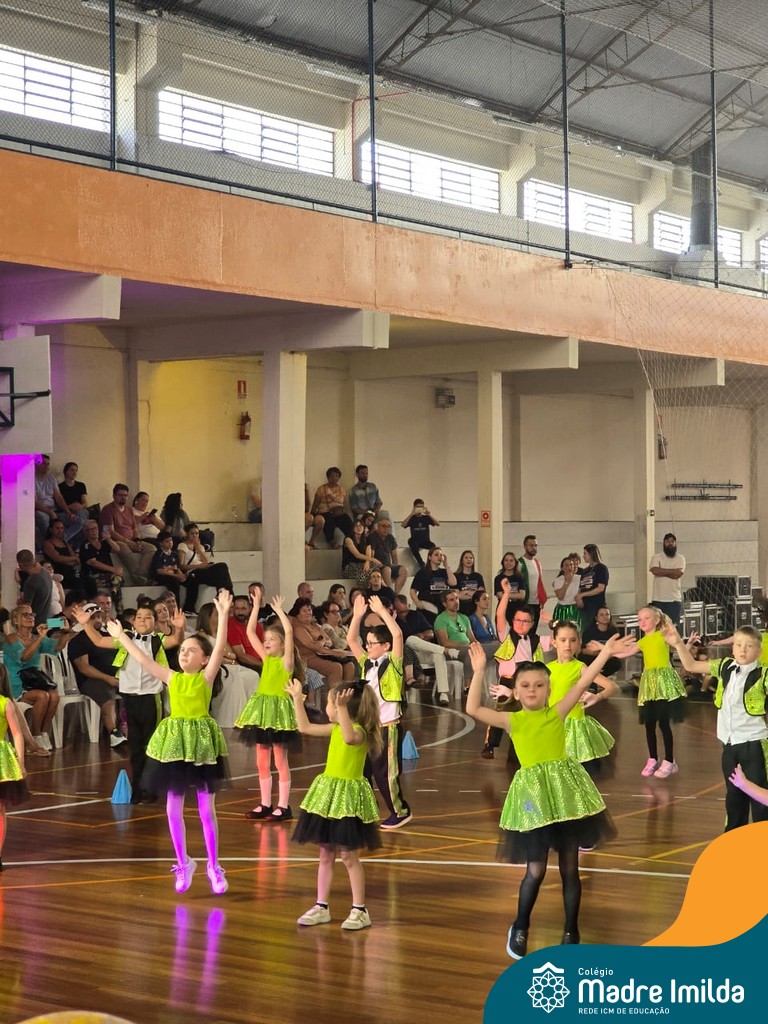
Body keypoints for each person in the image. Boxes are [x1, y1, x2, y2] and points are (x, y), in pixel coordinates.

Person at [466, 638, 628, 958]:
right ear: (515, 691)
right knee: (536, 870)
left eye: (539, 685)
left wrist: (605, 654)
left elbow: (582, 681)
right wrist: (478, 671)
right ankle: (521, 926)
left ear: (548, 690)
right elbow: (473, 709)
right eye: (525, 685)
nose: (532, 690)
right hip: (532, 801)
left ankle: (571, 931)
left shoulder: (558, 712)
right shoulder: (511, 720)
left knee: (570, 868)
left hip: (565, 799)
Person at [106, 591, 231, 894]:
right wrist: (121, 636)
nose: (185, 654)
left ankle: (214, 866)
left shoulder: (205, 678)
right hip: (175, 744)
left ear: (204, 660)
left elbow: (219, 648)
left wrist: (224, 614)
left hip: (201, 745)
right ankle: (183, 862)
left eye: (192, 651)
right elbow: (142, 659)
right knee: (172, 808)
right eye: (183, 650)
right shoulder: (172, 678)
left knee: (206, 810)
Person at [287, 678, 382, 930]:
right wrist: (297, 698)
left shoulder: (359, 732)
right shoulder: (336, 728)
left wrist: (340, 707)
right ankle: (321, 906)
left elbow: (349, 739)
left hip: (348, 801)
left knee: (349, 856)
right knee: (325, 854)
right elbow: (304, 727)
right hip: (329, 797)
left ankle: (360, 910)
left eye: (331, 702)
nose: (327, 707)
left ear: (344, 706)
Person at [75, 602, 185, 802]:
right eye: (139, 617)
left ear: (155, 622)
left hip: (151, 699)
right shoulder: (124, 639)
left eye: (148, 617)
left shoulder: (158, 640)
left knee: (151, 745)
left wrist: (179, 627)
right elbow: (98, 640)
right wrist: (85, 624)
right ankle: (137, 788)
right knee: (135, 747)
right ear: (133, 622)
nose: (143, 620)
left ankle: (150, 788)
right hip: (130, 699)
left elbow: (176, 639)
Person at [668, 624, 768, 831]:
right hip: (729, 745)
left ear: (759, 651)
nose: (742, 650)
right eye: (738, 644)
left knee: (760, 800)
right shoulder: (725, 666)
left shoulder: (764, 674)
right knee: (734, 799)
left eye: (749, 646)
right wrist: (678, 643)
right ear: (732, 648)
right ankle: (732, 841)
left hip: (754, 744)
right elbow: (691, 665)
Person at [347, 593, 411, 829]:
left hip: (387, 727)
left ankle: (400, 811)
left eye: (372, 643)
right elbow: (351, 640)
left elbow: (398, 635)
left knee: (385, 772)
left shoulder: (393, 663)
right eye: (368, 642)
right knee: (363, 771)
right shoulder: (366, 663)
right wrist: (357, 616)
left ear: (385, 646)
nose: (367, 646)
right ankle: (367, 807)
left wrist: (382, 611)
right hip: (368, 726)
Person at [235, 597, 300, 822]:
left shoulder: (286, 663)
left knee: (280, 761)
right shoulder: (266, 660)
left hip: (279, 715)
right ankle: (265, 803)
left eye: (272, 639)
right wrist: (255, 607)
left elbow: (289, 632)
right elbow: (250, 632)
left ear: (282, 645)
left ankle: (283, 805)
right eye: (266, 639)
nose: (267, 642)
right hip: (262, 714)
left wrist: (280, 611)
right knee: (261, 762)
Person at [481, 583, 553, 759]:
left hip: (527, 683)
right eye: (518, 620)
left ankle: (518, 751)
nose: (521, 624)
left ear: (532, 624)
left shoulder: (536, 640)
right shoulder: (507, 635)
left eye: (525, 621)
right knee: (501, 711)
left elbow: (556, 640)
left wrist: (552, 623)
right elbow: (500, 615)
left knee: (526, 714)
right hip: (508, 680)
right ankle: (490, 745)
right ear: (513, 621)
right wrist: (506, 593)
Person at [621, 607, 687, 778]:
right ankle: (652, 758)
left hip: (663, 684)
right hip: (649, 685)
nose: (642, 622)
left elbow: (677, 644)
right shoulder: (642, 642)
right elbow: (625, 653)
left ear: (657, 620)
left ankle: (670, 760)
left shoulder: (663, 635)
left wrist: (680, 641)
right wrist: (604, 648)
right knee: (649, 723)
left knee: (664, 723)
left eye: (646, 618)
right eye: (640, 619)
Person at [548, 620, 618, 775]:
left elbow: (612, 687)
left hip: (575, 729)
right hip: (553, 726)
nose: (568, 645)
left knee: (578, 773)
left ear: (579, 642)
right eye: (563, 640)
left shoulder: (580, 668)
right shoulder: (547, 669)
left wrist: (597, 697)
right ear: (554, 642)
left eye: (573, 640)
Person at [4, 604, 66, 748]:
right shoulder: (11, 638)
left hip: (34, 681)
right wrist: (40, 638)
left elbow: (58, 647)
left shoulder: (36, 637)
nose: (30, 617)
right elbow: (24, 657)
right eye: (25, 615)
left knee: (54, 696)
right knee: (42, 696)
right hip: (17, 683)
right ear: (16, 620)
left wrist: (66, 632)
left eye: (31, 614)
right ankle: (35, 735)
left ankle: (44, 733)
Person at [68, 601, 128, 747]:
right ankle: (114, 733)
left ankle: (132, 728)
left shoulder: (106, 637)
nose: (98, 620)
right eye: (93, 617)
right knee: (107, 696)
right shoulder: (79, 641)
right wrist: (108, 679)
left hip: (116, 677)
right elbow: (84, 668)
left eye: (99, 616)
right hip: (91, 680)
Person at [0, 664, 31, 870]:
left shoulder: (5, 704)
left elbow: (17, 734)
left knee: (0, 808)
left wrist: (20, 762)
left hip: (1, 760)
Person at [289, 598, 356, 688]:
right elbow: (313, 646)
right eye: (304, 611)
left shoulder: (313, 624)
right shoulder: (299, 628)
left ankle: (347, 693)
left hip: (323, 655)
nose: (308, 613)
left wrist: (322, 641)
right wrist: (334, 652)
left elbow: (328, 640)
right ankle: (334, 695)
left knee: (349, 665)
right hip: (308, 658)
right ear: (297, 613)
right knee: (336, 667)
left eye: (309, 610)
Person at [99, 484, 155, 586]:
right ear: (114, 496)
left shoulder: (129, 510)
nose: (123, 497)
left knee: (152, 549)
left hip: (132, 540)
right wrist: (129, 542)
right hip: (115, 541)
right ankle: (138, 577)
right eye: (120, 495)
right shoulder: (108, 509)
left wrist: (137, 541)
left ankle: (140, 575)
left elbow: (135, 528)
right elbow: (111, 531)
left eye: (125, 495)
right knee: (124, 548)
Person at [176, 524, 234, 614]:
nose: (195, 535)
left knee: (222, 566)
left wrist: (198, 547)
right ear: (187, 534)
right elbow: (181, 566)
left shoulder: (200, 547)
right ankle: (230, 594)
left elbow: (206, 561)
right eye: (192, 533)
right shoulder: (183, 545)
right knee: (220, 571)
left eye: (197, 533)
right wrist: (198, 566)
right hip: (192, 571)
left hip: (202, 570)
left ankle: (221, 591)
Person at [79, 518, 124, 612]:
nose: (92, 532)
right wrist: (113, 569)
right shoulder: (85, 546)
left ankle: (114, 591)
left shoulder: (103, 542)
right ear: (85, 532)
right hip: (92, 575)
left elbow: (117, 549)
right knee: (116, 579)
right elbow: (93, 562)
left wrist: (109, 539)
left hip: (108, 575)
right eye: (89, 530)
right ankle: (119, 608)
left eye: (94, 528)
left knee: (117, 578)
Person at [410, 545, 456, 622]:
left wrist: (446, 566)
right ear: (430, 557)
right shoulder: (422, 572)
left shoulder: (444, 572)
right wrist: (417, 603)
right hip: (427, 607)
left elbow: (453, 583)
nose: (439, 557)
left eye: (441, 555)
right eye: (436, 555)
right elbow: (412, 590)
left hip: (441, 607)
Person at [311, 468, 353, 548]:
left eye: (337, 476)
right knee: (329, 521)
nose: (334, 478)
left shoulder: (342, 489)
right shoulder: (321, 489)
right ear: (328, 477)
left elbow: (343, 504)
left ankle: (348, 543)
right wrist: (313, 515)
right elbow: (315, 504)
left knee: (349, 523)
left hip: (339, 513)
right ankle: (332, 542)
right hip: (325, 512)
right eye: (332, 476)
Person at [650, 533, 686, 627]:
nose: (670, 543)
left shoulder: (680, 558)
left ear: (675, 543)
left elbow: (678, 575)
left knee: (672, 628)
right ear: (663, 543)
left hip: (674, 600)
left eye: (672, 541)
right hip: (658, 599)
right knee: (658, 628)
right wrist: (673, 571)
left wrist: (662, 571)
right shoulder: (657, 557)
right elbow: (655, 571)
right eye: (667, 541)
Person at [579, 607, 622, 678]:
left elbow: (616, 650)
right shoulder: (589, 631)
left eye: (607, 614)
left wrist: (606, 655)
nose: (605, 617)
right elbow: (584, 650)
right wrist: (602, 654)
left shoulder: (614, 631)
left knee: (617, 663)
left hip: (608, 657)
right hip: (592, 656)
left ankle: (600, 677)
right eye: (601, 615)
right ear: (596, 618)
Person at [575, 544, 609, 634]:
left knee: (597, 631)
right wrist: (579, 598)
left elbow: (600, 588)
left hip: (596, 606)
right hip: (585, 607)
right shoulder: (585, 571)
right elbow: (581, 588)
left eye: (585, 553)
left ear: (591, 554)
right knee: (586, 632)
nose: (583, 556)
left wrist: (583, 595)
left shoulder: (601, 568)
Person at [366, 518, 406, 594]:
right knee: (387, 569)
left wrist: (396, 566)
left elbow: (394, 555)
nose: (386, 529)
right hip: (377, 566)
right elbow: (371, 556)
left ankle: (395, 594)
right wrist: (379, 565)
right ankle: (389, 593)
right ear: (378, 526)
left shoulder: (390, 537)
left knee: (403, 570)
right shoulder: (372, 537)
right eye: (384, 526)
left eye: (388, 526)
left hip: (388, 565)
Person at [17, 549, 53, 625]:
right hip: (49, 621)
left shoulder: (31, 581)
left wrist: (20, 602)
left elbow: (26, 607)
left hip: (37, 623)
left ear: (20, 564)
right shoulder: (46, 572)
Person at [42, 520, 81, 589]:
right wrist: (73, 558)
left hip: (70, 572)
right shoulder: (48, 543)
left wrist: (66, 560)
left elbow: (76, 561)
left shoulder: (65, 543)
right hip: (57, 572)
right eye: (57, 528)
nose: (60, 531)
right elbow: (57, 558)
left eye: (62, 528)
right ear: (51, 529)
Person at [519, 535, 547, 632]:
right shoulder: (520, 563)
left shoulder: (537, 563)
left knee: (533, 631)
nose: (534, 548)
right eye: (531, 545)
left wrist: (541, 598)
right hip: (525, 603)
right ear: (525, 546)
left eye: (535, 545)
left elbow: (539, 582)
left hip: (536, 603)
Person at [402, 499, 439, 569]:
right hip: (415, 541)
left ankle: (432, 563)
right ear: (414, 507)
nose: (419, 508)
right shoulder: (412, 518)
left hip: (425, 541)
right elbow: (403, 525)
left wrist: (429, 515)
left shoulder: (426, 518)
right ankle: (421, 563)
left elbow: (437, 523)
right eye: (418, 507)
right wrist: (411, 514)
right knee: (410, 541)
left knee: (434, 547)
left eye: (421, 506)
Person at [150, 531, 186, 602]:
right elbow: (159, 571)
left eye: (171, 540)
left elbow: (176, 568)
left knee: (190, 581)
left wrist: (181, 575)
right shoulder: (159, 554)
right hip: (161, 576)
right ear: (161, 543)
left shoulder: (174, 554)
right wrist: (175, 576)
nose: (170, 543)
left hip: (173, 575)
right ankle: (176, 605)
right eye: (167, 541)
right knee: (174, 582)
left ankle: (189, 606)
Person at [493, 552, 527, 627]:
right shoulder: (498, 578)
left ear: (515, 563)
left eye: (511, 561)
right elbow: (500, 595)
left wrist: (506, 594)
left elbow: (522, 595)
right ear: (503, 562)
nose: (508, 563)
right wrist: (515, 595)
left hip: (517, 608)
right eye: (506, 560)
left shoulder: (519, 577)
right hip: (503, 609)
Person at [341, 517, 376, 587]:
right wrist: (373, 560)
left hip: (362, 566)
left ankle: (372, 588)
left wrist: (367, 562)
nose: (359, 528)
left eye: (361, 526)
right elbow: (357, 555)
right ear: (353, 528)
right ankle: (365, 590)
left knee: (373, 567)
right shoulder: (348, 539)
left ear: (364, 528)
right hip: (349, 567)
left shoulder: (367, 539)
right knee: (364, 574)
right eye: (356, 526)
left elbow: (368, 555)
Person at [552, 556, 580, 628]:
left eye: (571, 565)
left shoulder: (579, 578)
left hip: (575, 609)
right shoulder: (557, 580)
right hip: (562, 609)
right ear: (562, 568)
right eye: (566, 565)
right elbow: (560, 596)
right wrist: (567, 582)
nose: (569, 567)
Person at [455, 550, 485, 616]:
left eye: (471, 558)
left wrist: (465, 592)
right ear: (462, 561)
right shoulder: (456, 576)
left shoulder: (478, 576)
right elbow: (457, 595)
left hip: (475, 611)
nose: (469, 560)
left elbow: (481, 595)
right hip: (460, 610)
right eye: (466, 558)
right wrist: (474, 593)